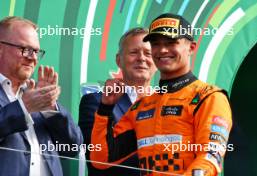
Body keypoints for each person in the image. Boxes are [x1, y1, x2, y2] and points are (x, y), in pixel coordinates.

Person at [90, 13, 233, 176]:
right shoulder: (142, 106)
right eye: (156, 44)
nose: (163, 50)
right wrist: (105, 109)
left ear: (191, 48)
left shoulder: (209, 97)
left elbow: (209, 159)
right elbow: (101, 159)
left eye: (171, 42)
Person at [0, 16, 83, 176]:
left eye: (36, 51)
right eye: (25, 49)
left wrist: (49, 108)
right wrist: (23, 108)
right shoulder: (31, 100)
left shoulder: (35, 95)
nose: (33, 58)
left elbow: (72, 147)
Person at [78, 27, 157, 176]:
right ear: (118, 60)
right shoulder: (96, 102)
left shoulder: (169, 104)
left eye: (149, 53)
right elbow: (97, 160)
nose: (141, 58)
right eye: (134, 52)